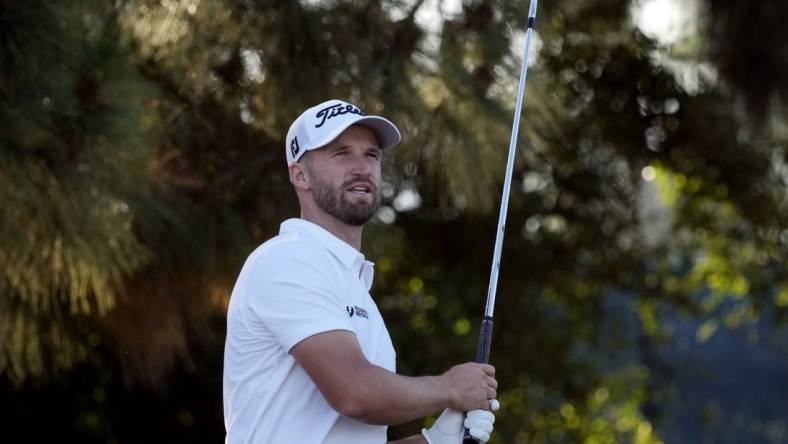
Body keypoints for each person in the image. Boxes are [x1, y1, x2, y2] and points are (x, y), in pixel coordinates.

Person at [223, 99, 500, 444]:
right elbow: (355, 393)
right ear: (300, 174)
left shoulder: (351, 284)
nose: (361, 167)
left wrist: (437, 439)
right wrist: (449, 388)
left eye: (371, 155)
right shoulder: (287, 259)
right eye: (341, 154)